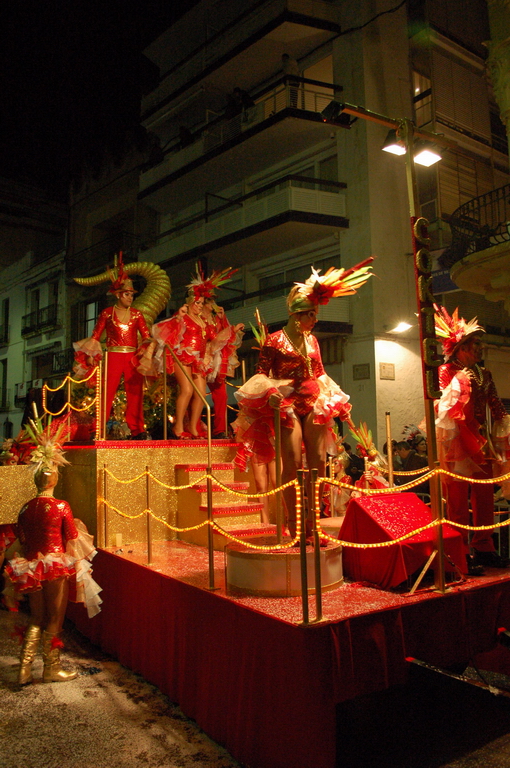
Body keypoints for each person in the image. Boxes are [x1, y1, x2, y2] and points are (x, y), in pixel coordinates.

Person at [233, 258, 373, 538]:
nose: (315, 320)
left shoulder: (313, 340)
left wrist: (336, 401)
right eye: (311, 314)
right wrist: (271, 394)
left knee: (319, 460)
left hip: (313, 399)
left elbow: (320, 373)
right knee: (294, 461)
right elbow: (262, 373)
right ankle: (294, 524)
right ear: (297, 315)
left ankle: (314, 523)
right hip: (286, 402)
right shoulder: (274, 340)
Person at [4, 420, 101, 684]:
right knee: (55, 618)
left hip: (32, 566)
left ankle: (24, 668)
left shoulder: (25, 507)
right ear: (55, 479)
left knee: (36, 616)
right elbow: (70, 536)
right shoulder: (61, 506)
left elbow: (21, 538)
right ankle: (50, 668)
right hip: (56, 565)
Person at [435, 305, 510, 575]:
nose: (479, 348)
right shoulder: (446, 371)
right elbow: (444, 407)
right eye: (474, 344)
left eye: (479, 344)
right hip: (454, 440)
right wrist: (459, 381)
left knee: (484, 497)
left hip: (479, 439)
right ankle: (461, 550)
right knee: (456, 500)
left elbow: (496, 406)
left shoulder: (483, 373)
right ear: (461, 347)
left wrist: (503, 429)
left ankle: (484, 546)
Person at [73, 256, 155, 440]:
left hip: (132, 356)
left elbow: (146, 335)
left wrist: (146, 348)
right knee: (106, 392)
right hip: (113, 356)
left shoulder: (137, 314)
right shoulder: (107, 313)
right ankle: (98, 428)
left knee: (135, 393)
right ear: (118, 294)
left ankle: (137, 430)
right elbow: (95, 336)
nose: (130, 297)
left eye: (132, 295)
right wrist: (90, 356)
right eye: (127, 294)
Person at [153, 268, 237, 439]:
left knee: (200, 393)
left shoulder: (204, 321)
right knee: (187, 390)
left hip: (198, 360)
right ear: (189, 303)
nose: (199, 306)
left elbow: (215, 338)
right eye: (196, 303)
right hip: (183, 356)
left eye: (201, 303)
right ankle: (177, 428)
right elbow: (167, 330)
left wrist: (223, 320)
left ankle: (193, 428)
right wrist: (178, 316)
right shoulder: (183, 316)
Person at [202, 297, 244, 438]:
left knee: (221, 395)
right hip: (201, 358)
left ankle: (219, 429)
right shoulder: (198, 318)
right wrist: (231, 330)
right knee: (197, 395)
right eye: (210, 302)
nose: (213, 304)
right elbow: (214, 338)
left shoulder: (216, 318)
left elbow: (225, 339)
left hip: (216, 360)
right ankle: (194, 427)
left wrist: (222, 320)